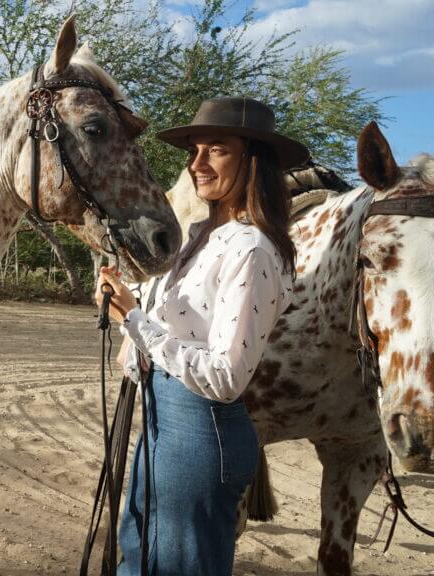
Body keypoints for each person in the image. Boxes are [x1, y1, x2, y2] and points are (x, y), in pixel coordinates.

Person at [96, 97, 308, 575]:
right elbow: (165, 330)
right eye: (194, 151)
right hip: (162, 420)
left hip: (200, 429)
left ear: (253, 160)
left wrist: (135, 319)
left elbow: (226, 376)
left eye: (217, 150)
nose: (198, 163)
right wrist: (126, 305)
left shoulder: (252, 249)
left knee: (173, 565)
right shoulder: (197, 235)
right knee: (140, 554)